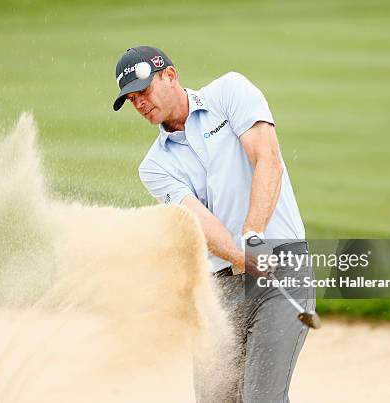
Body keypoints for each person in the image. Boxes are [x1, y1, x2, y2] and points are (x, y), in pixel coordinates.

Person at [112, 45, 316, 403]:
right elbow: (201, 223)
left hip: (283, 266)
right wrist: (241, 255)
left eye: (143, 91)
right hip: (221, 291)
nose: (139, 103)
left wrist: (254, 235)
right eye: (131, 99)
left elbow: (268, 160)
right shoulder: (155, 166)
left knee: (262, 398)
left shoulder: (230, 92)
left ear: (170, 76)